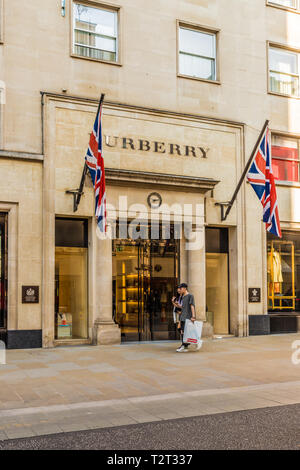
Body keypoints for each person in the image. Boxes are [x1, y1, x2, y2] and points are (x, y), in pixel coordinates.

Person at [176, 283, 198, 353]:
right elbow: (183, 307)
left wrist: (193, 316)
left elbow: (192, 306)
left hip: (188, 317)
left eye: (181, 288)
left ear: (185, 288)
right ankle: (185, 346)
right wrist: (177, 305)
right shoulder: (182, 297)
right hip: (182, 316)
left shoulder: (190, 296)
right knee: (182, 332)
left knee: (187, 332)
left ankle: (186, 345)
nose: (180, 290)